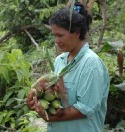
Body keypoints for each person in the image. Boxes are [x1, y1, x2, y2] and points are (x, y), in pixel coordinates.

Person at [26, 2, 110, 132]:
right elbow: (57, 101)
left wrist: (49, 118)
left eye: (60, 35)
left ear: (76, 33)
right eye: (54, 35)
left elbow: (85, 109)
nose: (56, 41)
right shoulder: (60, 61)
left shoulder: (91, 63)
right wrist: (38, 102)